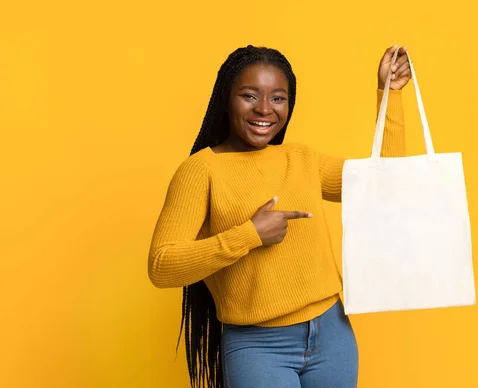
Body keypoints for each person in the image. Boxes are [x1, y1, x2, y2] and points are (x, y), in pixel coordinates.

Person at [148, 43, 412, 388]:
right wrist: (249, 235)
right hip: (257, 345)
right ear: (227, 100)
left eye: (278, 98)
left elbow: (385, 183)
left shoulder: (301, 159)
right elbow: (162, 265)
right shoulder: (200, 171)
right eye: (249, 96)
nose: (264, 109)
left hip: (332, 332)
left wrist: (389, 94)